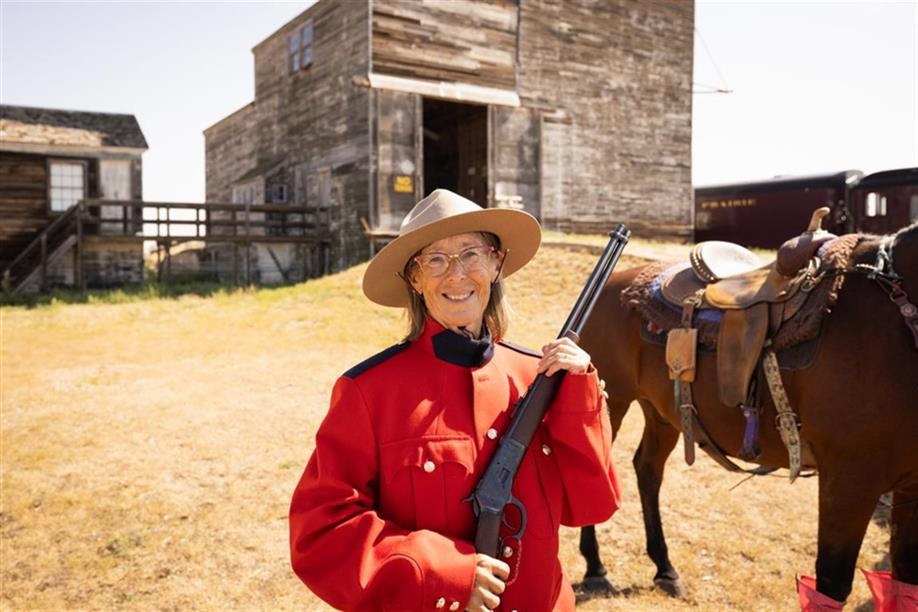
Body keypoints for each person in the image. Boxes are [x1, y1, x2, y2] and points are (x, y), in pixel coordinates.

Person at [289, 189, 621, 611]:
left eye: (470, 254)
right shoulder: (369, 391)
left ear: (496, 263)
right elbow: (319, 533)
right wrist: (444, 574)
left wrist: (580, 396)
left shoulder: (540, 377)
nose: (456, 274)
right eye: (436, 260)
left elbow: (591, 505)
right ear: (414, 278)